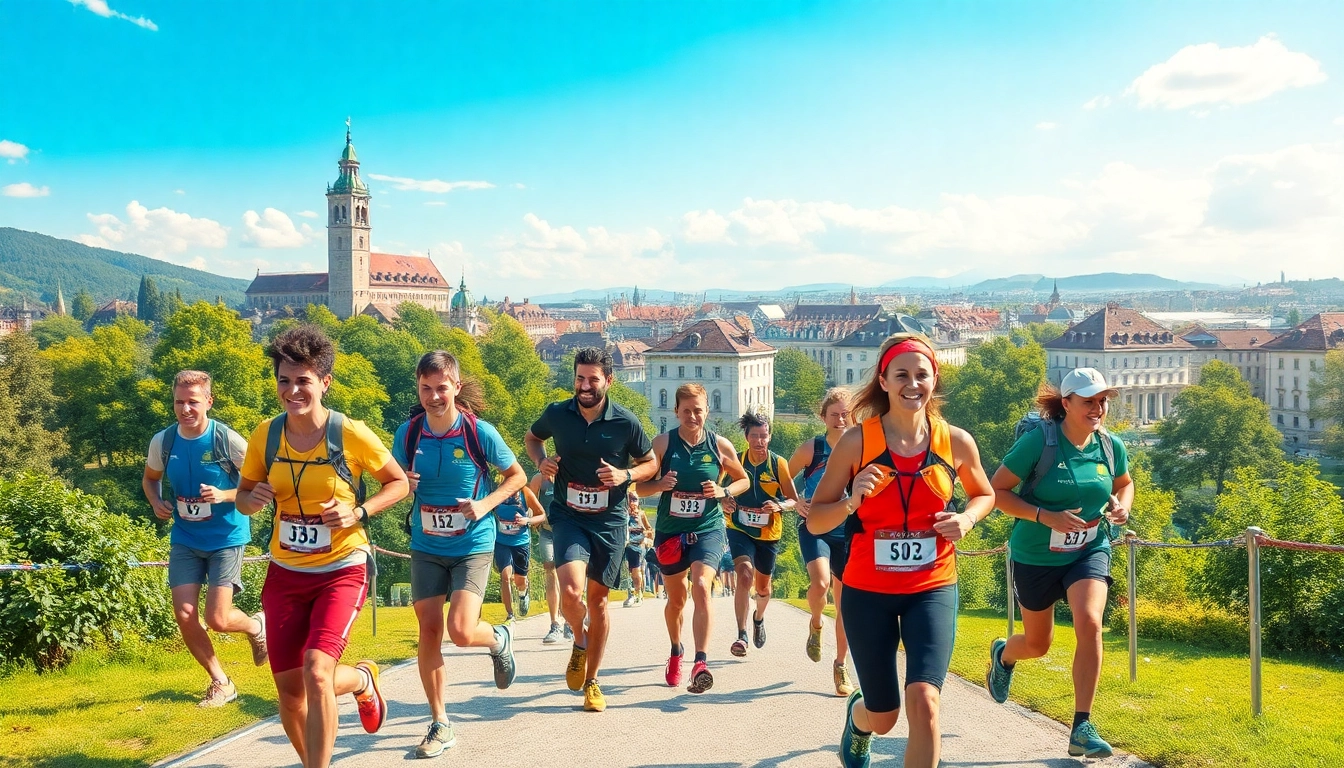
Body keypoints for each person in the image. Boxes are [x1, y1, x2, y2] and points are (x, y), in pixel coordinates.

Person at [808, 333, 995, 768]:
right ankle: (859, 720)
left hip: (932, 586)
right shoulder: (857, 442)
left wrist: (966, 518)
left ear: (935, 380)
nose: (913, 384)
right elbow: (816, 519)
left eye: (922, 375)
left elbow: (985, 494)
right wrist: (851, 500)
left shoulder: (956, 442)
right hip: (867, 590)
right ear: (885, 381)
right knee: (886, 717)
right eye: (902, 375)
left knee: (926, 702)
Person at [235, 326, 410, 768]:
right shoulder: (265, 436)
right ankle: (363, 682)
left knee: (317, 671)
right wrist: (251, 499)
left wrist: (359, 513)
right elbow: (243, 495)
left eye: (303, 380)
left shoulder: (350, 433)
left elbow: (399, 482)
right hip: (286, 572)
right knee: (291, 693)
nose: (292, 390)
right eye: (284, 380)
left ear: (324, 382)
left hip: (342, 567)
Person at [985, 367, 1132, 760]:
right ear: (1066, 404)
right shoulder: (1038, 443)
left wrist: (1121, 507)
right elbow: (995, 492)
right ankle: (1004, 654)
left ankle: (1082, 725)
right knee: (1038, 644)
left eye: (1102, 401)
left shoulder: (1109, 445)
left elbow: (1123, 482)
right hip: (1035, 555)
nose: (1098, 408)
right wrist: (1043, 516)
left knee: (1090, 621)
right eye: (1089, 401)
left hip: (1088, 549)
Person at [390, 351, 531, 758]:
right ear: (419, 388)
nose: (434, 396)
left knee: (462, 631)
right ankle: (440, 722)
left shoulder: (477, 431)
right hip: (426, 543)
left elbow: (517, 476)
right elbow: (392, 481)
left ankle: (498, 638)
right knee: (429, 629)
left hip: (472, 542)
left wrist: (486, 505)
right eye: (426, 389)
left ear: (455, 385)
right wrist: (406, 485)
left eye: (441, 388)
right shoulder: (409, 433)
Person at [525, 347, 657, 712]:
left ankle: (593, 681)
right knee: (570, 591)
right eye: (580, 378)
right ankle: (579, 639)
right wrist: (542, 461)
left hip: (610, 521)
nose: (584, 386)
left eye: (592, 379)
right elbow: (532, 437)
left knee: (598, 603)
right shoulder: (557, 413)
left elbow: (651, 462)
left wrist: (625, 475)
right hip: (569, 515)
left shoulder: (625, 422)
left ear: (608, 382)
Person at [142, 370, 266, 708]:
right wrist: (156, 502)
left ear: (208, 401)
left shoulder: (228, 441)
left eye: (193, 402)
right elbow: (151, 479)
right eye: (179, 402)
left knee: (218, 619)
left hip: (226, 536)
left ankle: (255, 626)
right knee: (184, 613)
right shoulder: (164, 442)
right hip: (185, 536)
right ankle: (221, 681)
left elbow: (259, 484)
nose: (185, 409)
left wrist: (225, 495)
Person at [635, 383, 749, 694]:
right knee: (676, 601)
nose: (692, 416)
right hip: (671, 532)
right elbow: (637, 487)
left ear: (706, 411)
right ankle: (676, 651)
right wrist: (659, 484)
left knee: (701, 584)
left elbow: (742, 479)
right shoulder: (662, 444)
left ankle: (701, 662)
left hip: (708, 528)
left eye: (697, 410)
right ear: (676, 412)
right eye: (686, 411)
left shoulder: (719, 445)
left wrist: (723, 490)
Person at [788, 388, 855, 695]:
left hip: (851, 532)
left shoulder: (862, 447)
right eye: (834, 415)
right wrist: (795, 500)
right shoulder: (811, 449)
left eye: (845, 414)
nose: (840, 420)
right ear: (823, 417)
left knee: (845, 607)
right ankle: (816, 622)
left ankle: (840, 665)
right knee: (821, 584)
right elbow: (780, 477)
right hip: (815, 526)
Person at [722, 410, 798, 657]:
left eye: (764, 436)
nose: (759, 441)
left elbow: (793, 501)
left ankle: (758, 617)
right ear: (746, 437)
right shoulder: (736, 461)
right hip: (739, 528)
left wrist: (779, 505)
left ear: (770, 436)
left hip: (768, 533)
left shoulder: (779, 464)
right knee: (744, 574)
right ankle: (741, 635)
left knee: (763, 589)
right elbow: (719, 492)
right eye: (754, 436)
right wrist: (724, 502)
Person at [528, 474, 573, 644]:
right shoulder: (539, 479)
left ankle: (570, 622)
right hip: (547, 532)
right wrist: (533, 520)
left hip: (568, 532)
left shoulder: (570, 474)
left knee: (568, 575)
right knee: (550, 571)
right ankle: (555, 623)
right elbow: (530, 502)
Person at [494, 483, 547, 622]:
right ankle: (510, 615)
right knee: (505, 575)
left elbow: (542, 515)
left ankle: (523, 593)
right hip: (501, 541)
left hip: (520, 542)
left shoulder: (525, 493)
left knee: (520, 580)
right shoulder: (497, 491)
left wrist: (527, 520)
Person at [622, 490, 654, 607]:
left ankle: (638, 593)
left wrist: (646, 536)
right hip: (625, 545)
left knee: (636, 571)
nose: (632, 502)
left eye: (635, 499)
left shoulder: (641, 514)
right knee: (626, 571)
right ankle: (630, 594)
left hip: (638, 546)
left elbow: (649, 529)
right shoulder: (624, 514)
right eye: (630, 499)